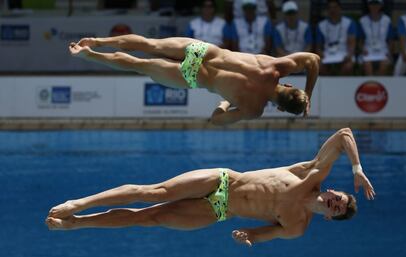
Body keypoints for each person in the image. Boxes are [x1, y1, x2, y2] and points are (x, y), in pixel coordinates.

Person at [46, 128, 375, 246]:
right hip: (224, 180)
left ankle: (77, 224)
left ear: (330, 217)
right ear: (334, 190)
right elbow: (344, 134)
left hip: (220, 209)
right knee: (152, 191)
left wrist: (248, 238)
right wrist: (358, 170)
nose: (336, 202)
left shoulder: (296, 227)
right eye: (341, 198)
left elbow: (261, 234)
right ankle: (79, 203)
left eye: (339, 208)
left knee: (149, 217)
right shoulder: (312, 174)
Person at [68, 34, 319, 125]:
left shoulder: (275, 66)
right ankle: (91, 56)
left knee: (149, 44)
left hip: (205, 51)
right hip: (195, 76)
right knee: (140, 65)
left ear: (288, 85)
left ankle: (97, 41)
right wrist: (224, 102)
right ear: (279, 107)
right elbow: (216, 120)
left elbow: (312, 60)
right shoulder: (254, 110)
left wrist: (309, 93)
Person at [316, 0, 357, 75]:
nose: (332, 10)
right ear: (327, 10)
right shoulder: (321, 25)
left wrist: (349, 55)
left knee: (348, 66)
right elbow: (318, 46)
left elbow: (352, 43)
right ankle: (328, 83)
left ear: (340, 9)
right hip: (327, 54)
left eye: (335, 7)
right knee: (319, 66)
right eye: (330, 8)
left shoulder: (349, 23)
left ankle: (341, 84)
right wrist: (321, 54)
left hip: (344, 53)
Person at [359, 0, 393, 75]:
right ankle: (371, 85)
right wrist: (362, 49)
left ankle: (379, 85)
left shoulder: (387, 20)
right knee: (367, 65)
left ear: (381, 5)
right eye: (372, 4)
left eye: (377, 4)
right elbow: (360, 40)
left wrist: (389, 52)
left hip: (383, 50)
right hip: (368, 50)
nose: (374, 6)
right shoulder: (363, 20)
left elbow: (390, 40)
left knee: (384, 65)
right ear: (368, 6)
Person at [393, 0, 406, 76]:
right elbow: (402, 37)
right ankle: (396, 84)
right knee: (399, 68)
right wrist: (404, 52)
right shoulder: (404, 19)